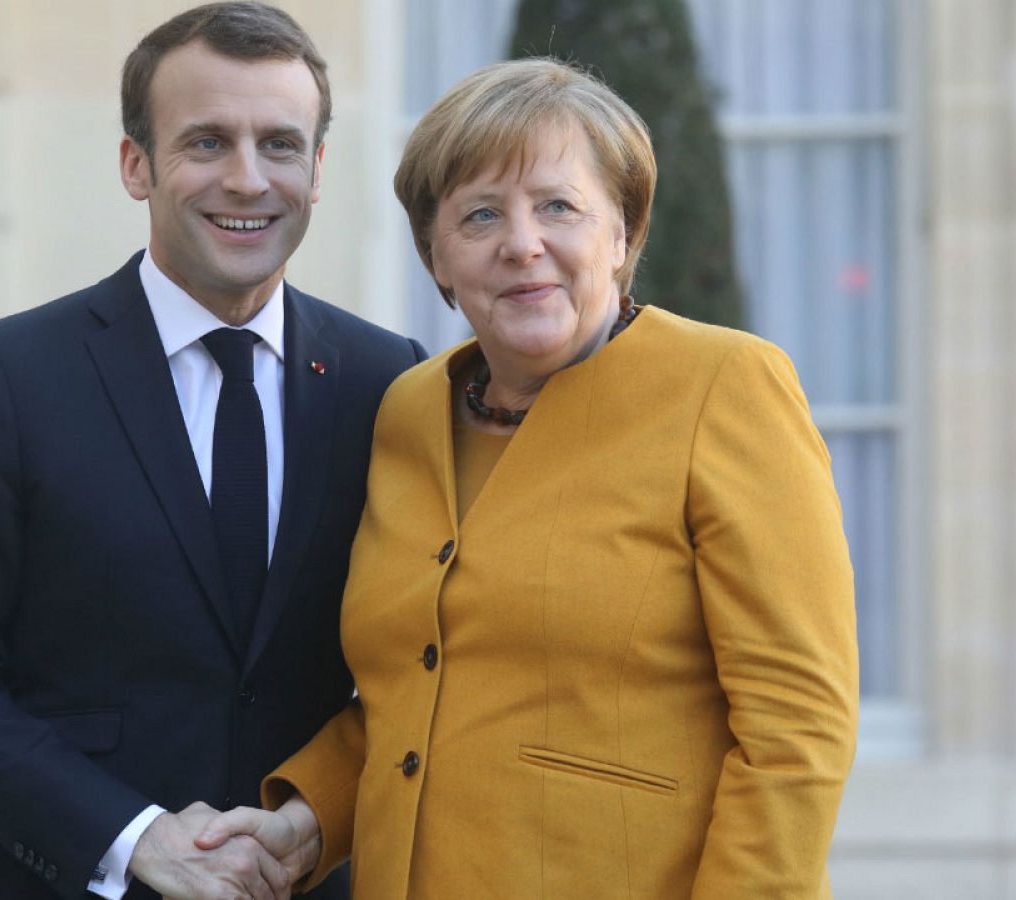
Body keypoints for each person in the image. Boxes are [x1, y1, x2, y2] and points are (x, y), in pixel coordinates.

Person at [195, 58, 860, 898]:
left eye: (558, 206)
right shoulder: (408, 410)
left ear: (621, 234)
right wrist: (307, 820)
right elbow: (420, 693)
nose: (521, 242)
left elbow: (797, 728)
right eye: (479, 215)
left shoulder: (723, 386)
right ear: (438, 258)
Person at [0, 3, 423, 898]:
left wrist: (309, 823)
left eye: (280, 145)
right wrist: (135, 842)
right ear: (137, 164)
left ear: (318, 170)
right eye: (207, 142)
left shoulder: (388, 380)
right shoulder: (3, 374)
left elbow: (410, 667)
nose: (248, 179)